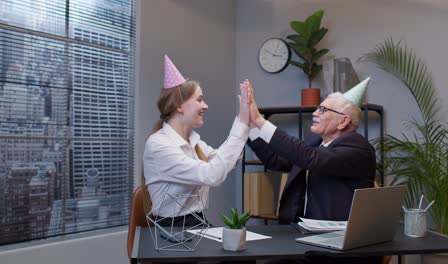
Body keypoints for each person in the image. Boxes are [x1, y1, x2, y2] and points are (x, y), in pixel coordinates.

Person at [246, 78, 380, 264]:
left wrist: (260, 121)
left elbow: (311, 158)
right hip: (300, 235)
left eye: (323, 110)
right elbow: (276, 161)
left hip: (336, 245)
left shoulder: (359, 148)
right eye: (318, 108)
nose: (315, 113)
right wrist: (250, 128)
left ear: (343, 121)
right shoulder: (315, 142)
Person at [142, 55, 251, 227]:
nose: (205, 106)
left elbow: (223, 161)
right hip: (172, 231)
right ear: (179, 105)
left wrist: (242, 121)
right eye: (199, 100)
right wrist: (242, 124)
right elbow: (212, 175)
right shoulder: (159, 145)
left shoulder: (195, 142)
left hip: (197, 223)